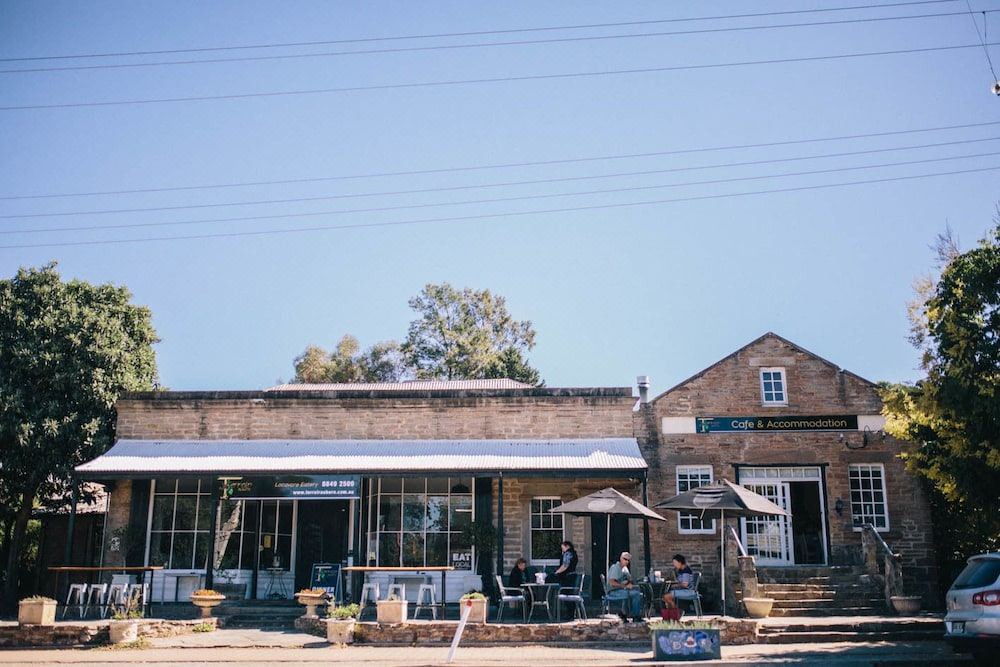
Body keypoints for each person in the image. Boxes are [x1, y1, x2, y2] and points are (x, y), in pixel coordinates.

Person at [606, 551, 644, 621]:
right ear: (620, 558)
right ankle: (635, 616)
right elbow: (612, 582)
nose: (626, 561)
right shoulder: (615, 567)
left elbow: (630, 580)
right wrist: (624, 586)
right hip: (613, 591)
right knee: (636, 594)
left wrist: (630, 582)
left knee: (637, 591)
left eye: (628, 560)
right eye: (625, 559)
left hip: (622, 590)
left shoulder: (625, 569)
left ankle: (624, 613)